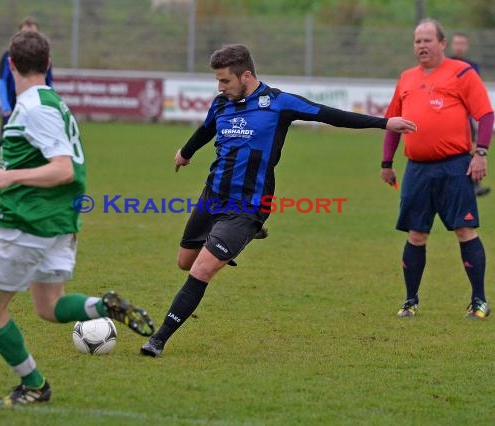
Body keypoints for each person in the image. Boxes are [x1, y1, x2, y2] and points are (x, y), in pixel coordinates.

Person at [139, 43, 416, 357]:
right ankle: (235, 240)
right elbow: (205, 130)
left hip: (248, 205)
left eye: (225, 81)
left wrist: (384, 123)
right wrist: (185, 153)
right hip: (212, 196)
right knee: (184, 262)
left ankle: (158, 339)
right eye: (217, 81)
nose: (220, 87)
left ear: (246, 75)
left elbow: (330, 115)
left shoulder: (279, 103)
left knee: (200, 271)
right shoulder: (221, 104)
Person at [0, 30, 154, 407]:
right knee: (48, 308)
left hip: (30, 224)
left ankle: (34, 386)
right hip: (56, 223)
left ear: (11, 65)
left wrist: (9, 178)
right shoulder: (52, 103)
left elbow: (63, 170)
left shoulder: (35, 107)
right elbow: (37, 163)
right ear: (49, 65)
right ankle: (105, 307)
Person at [380, 19, 494, 319]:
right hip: (417, 169)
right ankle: (410, 301)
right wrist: (387, 163)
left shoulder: (462, 73)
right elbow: (393, 123)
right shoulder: (406, 78)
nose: (422, 46)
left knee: (465, 230)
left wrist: (480, 153)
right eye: (417, 41)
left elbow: (485, 115)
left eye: (428, 40)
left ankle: (479, 300)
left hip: (455, 167)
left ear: (442, 43)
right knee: (416, 235)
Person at [0, 17, 53, 148]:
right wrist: (5, 107)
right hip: (13, 110)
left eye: (33, 35)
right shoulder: (8, 56)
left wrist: (49, 104)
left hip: (37, 111)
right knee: (8, 150)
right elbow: (1, 81)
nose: (28, 40)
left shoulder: (45, 58)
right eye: (25, 35)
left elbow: (49, 84)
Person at [449, 31, 490, 197]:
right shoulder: (445, 64)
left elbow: (476, 93)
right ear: (451, 45)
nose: (459, 46)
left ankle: (475, 183)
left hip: (467, 116)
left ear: (466, 46)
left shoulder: (473, 67)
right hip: (449, 115)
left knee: (472, 148)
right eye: (456, 43)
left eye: (462, 43)